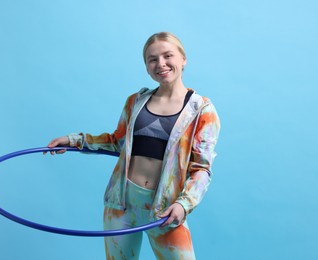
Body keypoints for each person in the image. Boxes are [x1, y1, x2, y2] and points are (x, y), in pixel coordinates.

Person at [45, 32, 220, 260]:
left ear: (183, 59)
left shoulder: (202, 111)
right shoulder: (136, 101)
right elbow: (116, 142)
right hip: (121, 204)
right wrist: (74, 140)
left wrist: (183, 205)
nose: (161, 64)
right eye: (152, 59)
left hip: (165, 209)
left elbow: (202, 169)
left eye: (168, 56)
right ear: (147, 67)